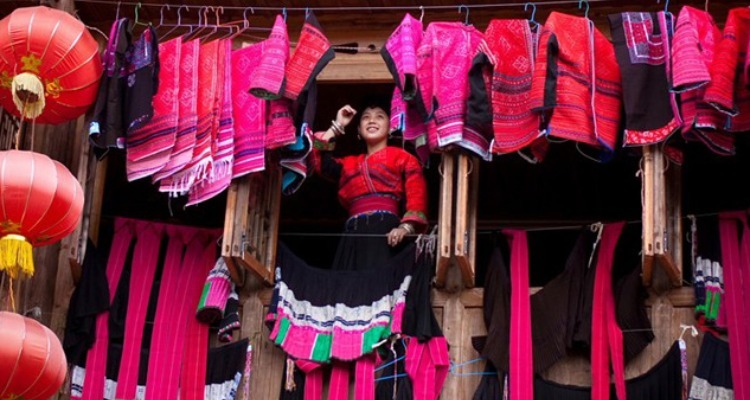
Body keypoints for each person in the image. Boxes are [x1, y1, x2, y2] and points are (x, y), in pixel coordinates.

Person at [310, 101, 428, 271]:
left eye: (379, 117)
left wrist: (405, 227)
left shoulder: (403, 158)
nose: (372, 121)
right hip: (352, 232)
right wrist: (337, 125)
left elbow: (417, 194)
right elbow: (318, 162)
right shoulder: (348, 164)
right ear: (358, 130)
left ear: (390, 127)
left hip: (386, 231)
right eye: (366, 118)